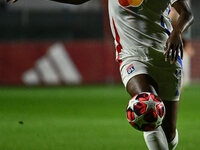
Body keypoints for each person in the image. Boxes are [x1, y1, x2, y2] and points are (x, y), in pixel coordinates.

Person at [6, 0, 193, 149]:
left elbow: (187, 13)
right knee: (146, 106)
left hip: (166, 57)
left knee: (168, 135)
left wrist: (176, 32)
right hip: (132, 58)